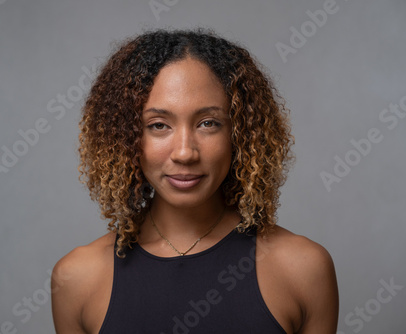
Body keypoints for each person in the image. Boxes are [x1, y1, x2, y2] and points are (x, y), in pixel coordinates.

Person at [51, 28, 339, 334]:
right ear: (124, 138)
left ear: (240, 134)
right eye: (159, 125)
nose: (185, 152)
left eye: (208, 123)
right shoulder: (77, 279)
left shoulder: (304, 269)